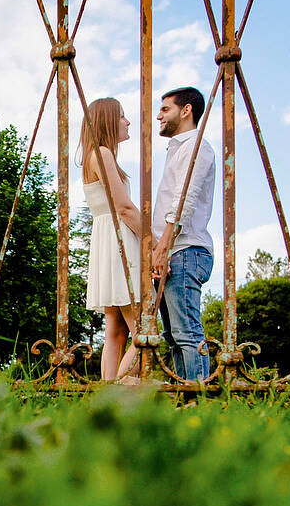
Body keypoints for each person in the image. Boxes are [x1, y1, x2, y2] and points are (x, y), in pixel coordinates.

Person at [80, 97, 150, 382]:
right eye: (122, 116)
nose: (128, 121)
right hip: (119, 241)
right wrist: (154, 243)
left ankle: (104, 393)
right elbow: (124, 208)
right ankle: (114, 397)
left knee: (115, 331)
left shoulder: (92, 156)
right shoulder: (103, 154)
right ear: (108, 121)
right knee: (146, 333)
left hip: (105, 242)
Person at [150, 86, 217, 383]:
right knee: (174, 336)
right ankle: (184, 396)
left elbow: (183, 202)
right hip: (174, 251)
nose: (159, 115)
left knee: (187, 332)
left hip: (186, 251)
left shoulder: (196, 146)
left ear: (186, 110)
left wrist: (163, 247)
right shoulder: (178, 149)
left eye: (165, 109)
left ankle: (198, 398)